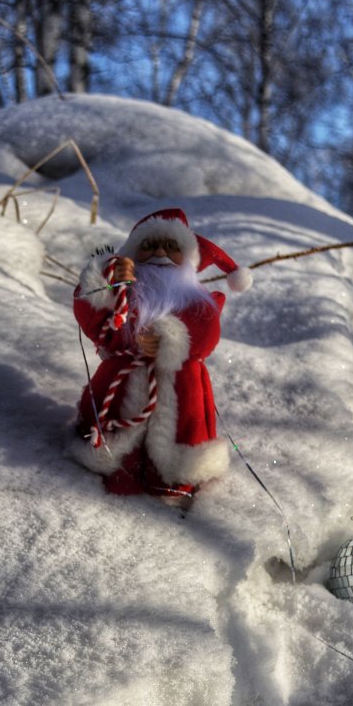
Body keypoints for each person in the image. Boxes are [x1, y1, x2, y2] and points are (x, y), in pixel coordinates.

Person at [69, 208, 252, 500]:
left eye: (171, 247)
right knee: (116, 451)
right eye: (148, 245)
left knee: (180, 443)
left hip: (181, 385)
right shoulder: (122, 294)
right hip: (122, 379)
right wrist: (105, 281)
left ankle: (177, 485)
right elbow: (92, 319)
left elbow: (206, 338)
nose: (159, 253)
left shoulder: (200, 302)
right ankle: (115, 475)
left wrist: (172, 339)